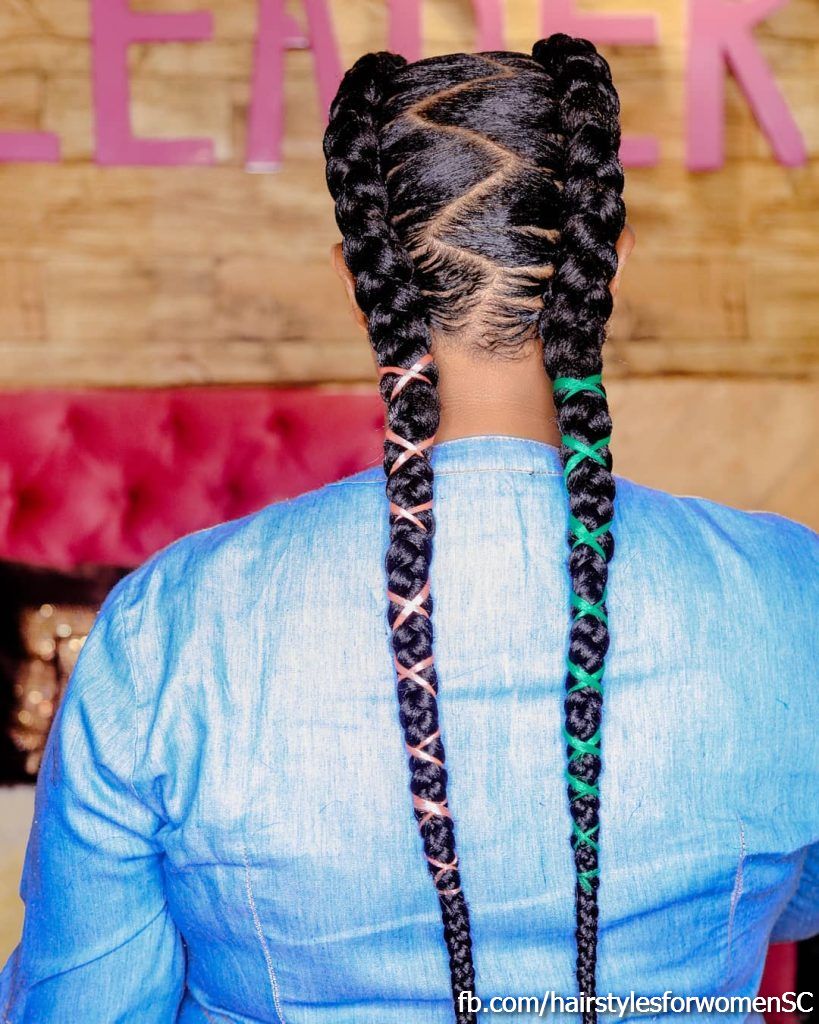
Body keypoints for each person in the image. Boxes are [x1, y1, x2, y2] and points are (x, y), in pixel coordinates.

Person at [1, 34, 817, 1024]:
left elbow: (82, 1007)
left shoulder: (170, 622)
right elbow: (793, 900)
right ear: (609, 265)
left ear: (360, 285)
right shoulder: (793, 593)